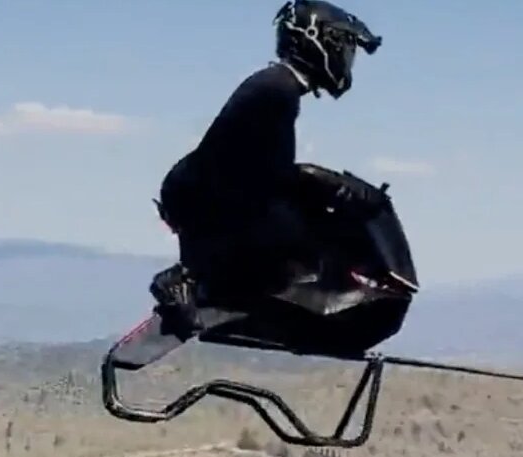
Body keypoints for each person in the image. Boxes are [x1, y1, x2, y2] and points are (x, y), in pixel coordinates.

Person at [149, 0, 385, 333]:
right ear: (315, 41)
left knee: (300, 231)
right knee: (301, 243)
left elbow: (258, 167)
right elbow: (257, 173)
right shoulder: (276, 89)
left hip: (204, 196)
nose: (346, 59)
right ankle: (190, 282)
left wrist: (317, 182)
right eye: (343, 48)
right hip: (206, 200)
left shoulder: (278, 87)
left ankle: (211, 280)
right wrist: (325, 184)